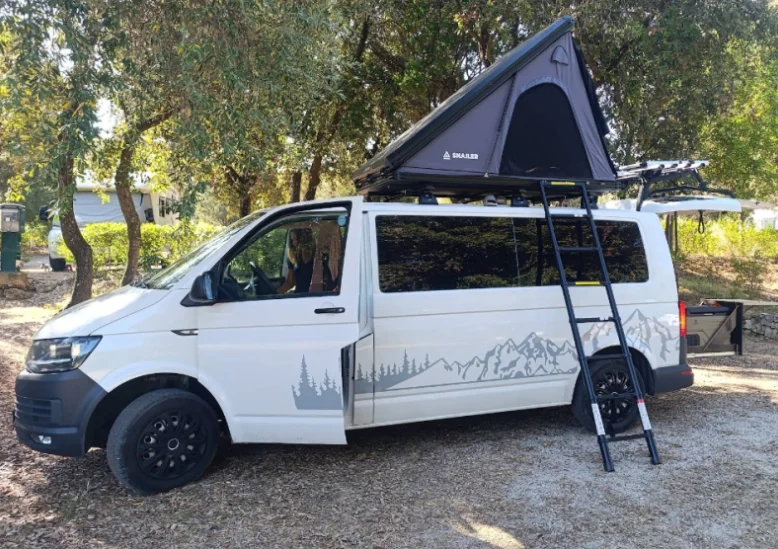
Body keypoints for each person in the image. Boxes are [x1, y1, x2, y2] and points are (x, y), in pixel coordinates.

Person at [277, 228, 315, 294]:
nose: (294, 243)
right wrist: (274, 294)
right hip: (298, 295)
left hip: (313, 296)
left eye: (296, 239)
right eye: (292, 240)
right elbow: (289, 283)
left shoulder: (317, 257)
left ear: (305, 239)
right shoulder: (293, 258)